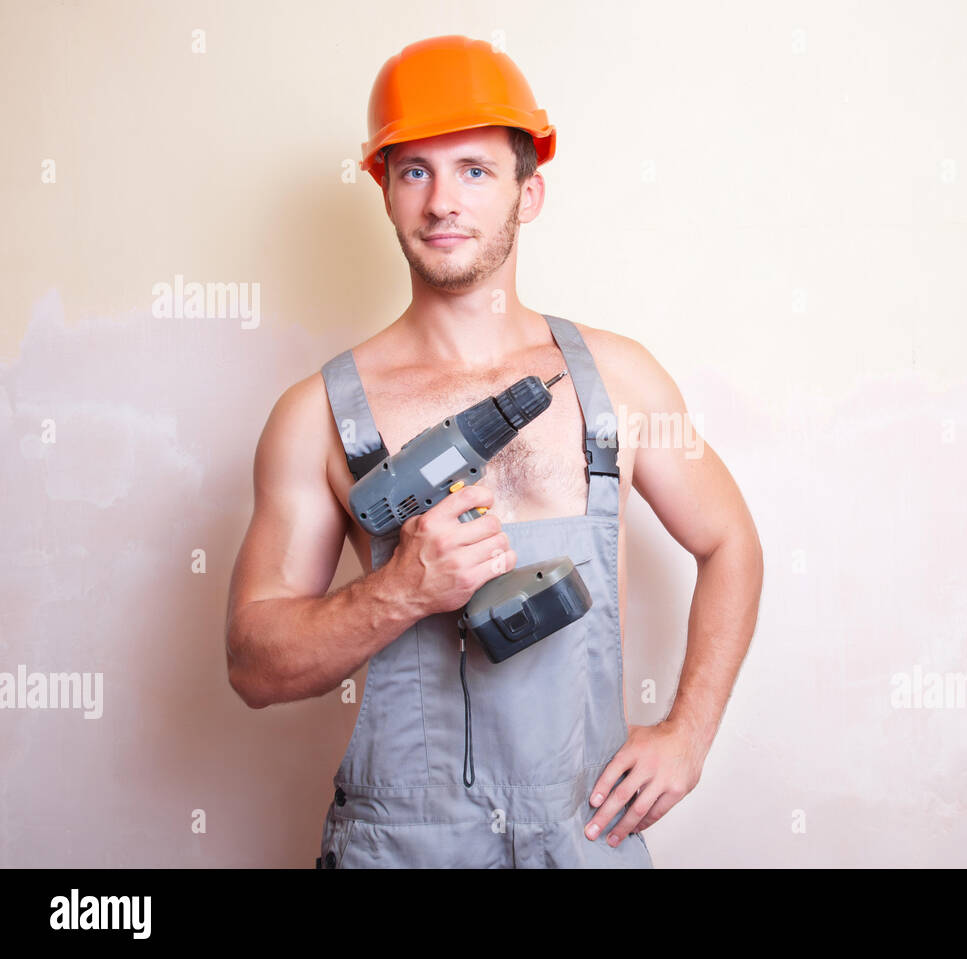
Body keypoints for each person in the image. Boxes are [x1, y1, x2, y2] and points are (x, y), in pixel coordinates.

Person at [224, 35, 763, 868]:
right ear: (385, 192)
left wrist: (688, 734)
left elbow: (731, 543)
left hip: (586, 831)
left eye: (475, 169)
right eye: (415, 171)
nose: (444, 201)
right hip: (399, 845)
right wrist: (400, 590)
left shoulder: (621, 379)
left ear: (529, 191)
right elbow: (253, 666)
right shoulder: (316, 417)